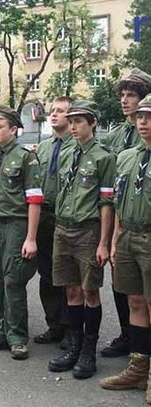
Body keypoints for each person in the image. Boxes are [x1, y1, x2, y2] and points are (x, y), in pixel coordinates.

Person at [47, 100, 115, 379]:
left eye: (79, 121)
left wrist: (103, 242)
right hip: (63, 228)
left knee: (90, 292)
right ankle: (73, 346)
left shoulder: (104, 158)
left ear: (93, 124)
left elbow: (107, 203)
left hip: (88, 231)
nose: (73, 126)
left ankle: (89, 349)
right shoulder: (65, 153)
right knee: (71, 290)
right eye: (71, 121)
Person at [0, 105, 42, 360]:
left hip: (16, 225)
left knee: (13, 281)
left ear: (13, 130)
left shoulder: (25, 157)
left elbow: (34, 200)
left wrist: (31, 237)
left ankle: (17, 336)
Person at [99, 94, 151, 403]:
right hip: (129, 236)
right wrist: (115, 238)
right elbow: (118, 200)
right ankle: (138, 368)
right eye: (141, 117)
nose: (143, 122)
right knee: (134, 302)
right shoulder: (128, 156)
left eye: (149, 117)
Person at [34, 96, 74, 345]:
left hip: (66, 217)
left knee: (67, 275)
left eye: (60, 111)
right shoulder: (45, 146)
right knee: (47, 274)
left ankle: (71, 327)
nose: (54, 114)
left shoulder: (75, 147)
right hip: (45, 215)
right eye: (52, 110)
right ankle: (54, 324)